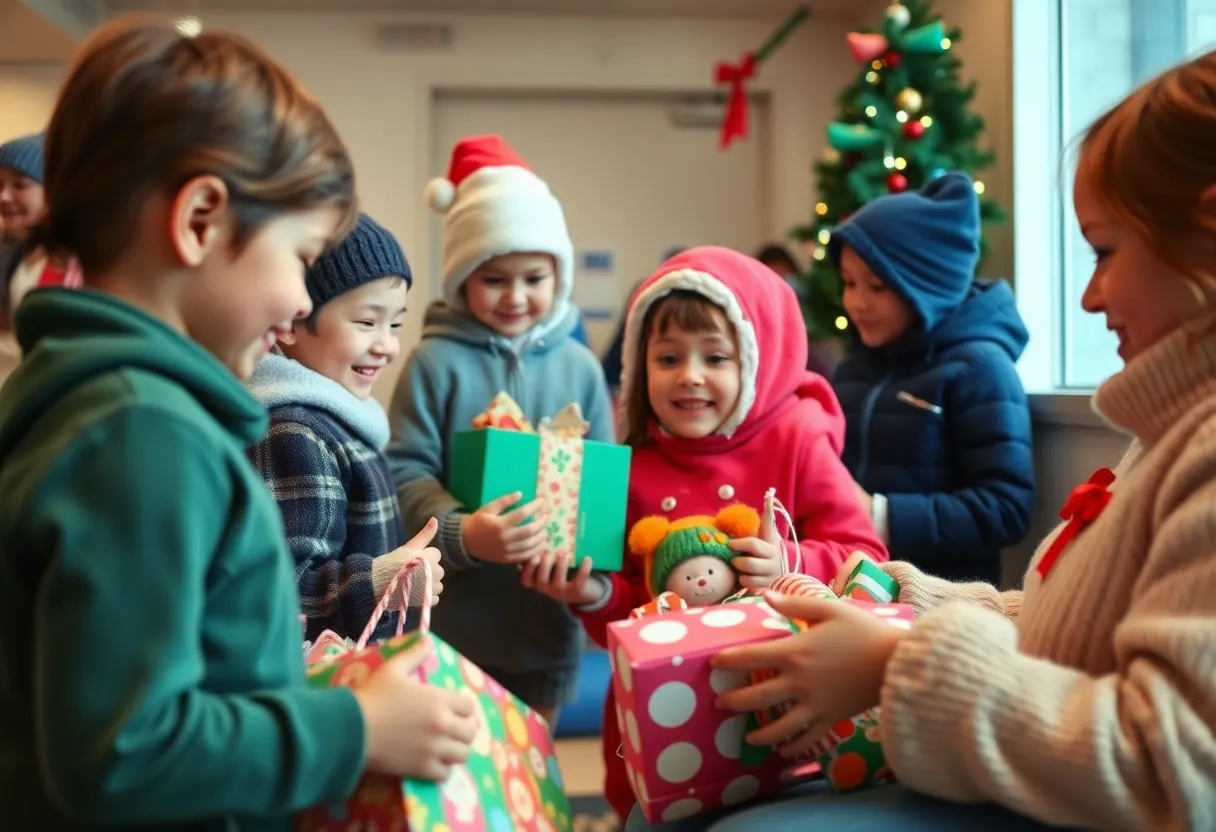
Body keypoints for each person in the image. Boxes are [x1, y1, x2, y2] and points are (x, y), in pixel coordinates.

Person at [627, 47, 1216, 832]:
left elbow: (1168, 765)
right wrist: (898, 602)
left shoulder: (1190, 451)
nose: (1089, 292)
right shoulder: (1166, 437)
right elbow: (1058, 623)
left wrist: (893, 656)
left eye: (1105, 251)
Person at [0, 19, 477, 828]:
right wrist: (354, 727)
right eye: (299, 255)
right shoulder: (141, 438)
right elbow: (126, 752)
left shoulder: (93, 401)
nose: (300, 300)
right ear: (199, 221)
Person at [524, 245, 888, 820]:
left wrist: (786, 561)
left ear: (754, 362)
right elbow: (624, 612)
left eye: (715, 358)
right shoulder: (630, 464)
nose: (690, 376)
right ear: (641, 368)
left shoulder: (794, 439)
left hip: (783, 715)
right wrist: (590, 594)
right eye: (668, 358)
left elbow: (865, 555)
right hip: (659, 725)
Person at [387, 133, 614, 728]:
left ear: (558, 277)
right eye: (494, 279)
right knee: (466, 784)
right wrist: (465, 534)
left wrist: (587, 571)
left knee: (533, 777)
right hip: (457, 622)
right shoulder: (434, 363)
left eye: (534, 278)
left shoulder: (580, 367)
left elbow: (603, 483)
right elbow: (405, 471)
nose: (516, 296)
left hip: (547, 625)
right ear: (462, 278)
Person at [828, 172, 1035, 584]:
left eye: (878, 286)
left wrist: (879, 514)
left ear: (926, 286)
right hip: (852, 589)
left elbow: (1006, 508)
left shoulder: (980, 370)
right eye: (849, 283)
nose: (856, 301)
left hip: (942, 604)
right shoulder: (853, 370)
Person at [248, 212, 433, 643]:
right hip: (330, 685)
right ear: (292, 322)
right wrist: (380, 582)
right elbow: (285, 592)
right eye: (367, 322)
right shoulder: (294, 432)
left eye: (396, 324)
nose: (387, 345)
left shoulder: (340, 421)